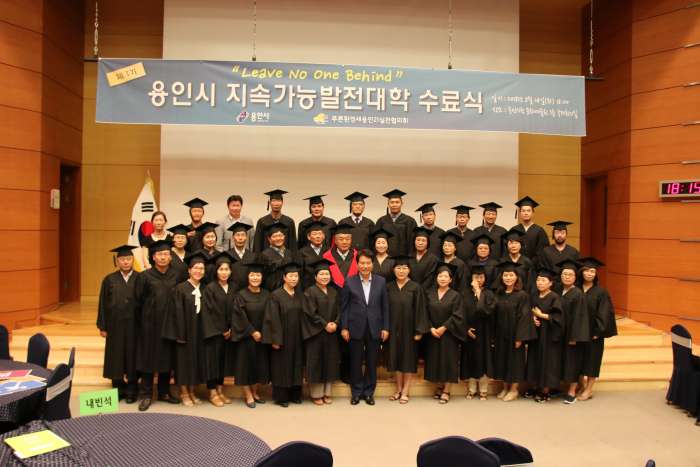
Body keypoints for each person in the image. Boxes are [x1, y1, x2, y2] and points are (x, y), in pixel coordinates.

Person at [134, 239, 180, 411]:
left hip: (170, 324)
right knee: (148, 360)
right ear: (153, 257)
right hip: (149, 326)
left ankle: (164, 392)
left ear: (170, 257)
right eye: (159, 254)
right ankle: (146, 394)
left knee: (167, 359)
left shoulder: (176, 275)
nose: (163, 257)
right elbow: (137, 301)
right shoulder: (145, 276)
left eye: (166, 254)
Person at [341, 249, 390, 405]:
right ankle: (356, 392)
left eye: (368, 263)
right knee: (355, 362)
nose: (365, 266)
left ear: (372, 264)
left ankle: (369, 393)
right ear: (357, 264)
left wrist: (385, 327)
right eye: (362, 263)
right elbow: (344, 307)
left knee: (371, 362)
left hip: (375, 327)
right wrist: (344, 327)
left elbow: (385, 307)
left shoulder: (381, 281)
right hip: (355, 327)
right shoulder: (349, 281)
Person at [163, 251, 207, 407]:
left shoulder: (205, 288)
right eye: (195, 268)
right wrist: (179, 334)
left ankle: (192, 391)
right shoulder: (180, 289)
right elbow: (175, 314)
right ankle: (184, 392)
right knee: (183, 363)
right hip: (184, 333)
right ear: (189, 270)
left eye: (201, 268)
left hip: (199, 333)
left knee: (196, 362)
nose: (198, 271)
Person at [97, 244, 140, 403]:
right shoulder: (109, 280)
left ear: (133, 260)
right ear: (117, 261)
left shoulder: (140, 278)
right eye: (122, 259)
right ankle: (118, 388)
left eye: (128, 258)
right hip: (115, 325)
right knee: (116, 356)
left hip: (135, 326)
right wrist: (103, 326)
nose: (126, 262)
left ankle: (132, 389)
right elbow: (102, 304)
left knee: (133, 356)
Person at [385, 255, 429, 404]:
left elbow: (421, 310)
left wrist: (419, 331)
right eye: (398, 268)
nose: (401, 271)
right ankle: (398, 389)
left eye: (404, 268)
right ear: (394, 270)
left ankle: (405, 391)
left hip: (410, 331)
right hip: (393, 329)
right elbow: (384, 309)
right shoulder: (389, 287)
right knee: (395, 359)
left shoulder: (416, 287)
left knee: (408, 360)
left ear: (409, 270)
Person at [263, 262, 306, 407]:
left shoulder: (300, 295)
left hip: (297, 337)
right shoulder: (276, 295)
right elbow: (272, 318)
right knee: (282, 366)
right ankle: (282, 397)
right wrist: (275, 339)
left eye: (296, 276)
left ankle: (295, 394)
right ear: (284, 278)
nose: (294, 279)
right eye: (291, 276)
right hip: (282, 338)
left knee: (296, 364)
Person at [492, 260, 535, 402]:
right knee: (502, 360)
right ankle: (505, 387)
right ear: (501, 277)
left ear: (517, 277)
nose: (508, 278)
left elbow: (524, 317)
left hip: (515, 334)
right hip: (500, 334)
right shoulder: (499, 294)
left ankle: (514, 389)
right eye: (505, 275)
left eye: (511, 275)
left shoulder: (522, 295)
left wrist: (520, 337)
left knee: (515, 362)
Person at [229, 262, 271, 408]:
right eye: (252, 275)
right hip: (246, 337)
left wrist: (264, 332)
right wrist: (252, 331)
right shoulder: (241, 295)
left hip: (263, 336)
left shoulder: (267, 294)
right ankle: (248, 395)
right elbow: (239, 316)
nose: (255, 278)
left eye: (258, 275)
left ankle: (255, 392)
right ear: (248, 277)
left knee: (259, 366)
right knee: (245, 367)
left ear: (262, 277)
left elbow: (270, 315)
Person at [423, 262, 465, 404]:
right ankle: (439, 387)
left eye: (446, 276)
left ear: (450, 279)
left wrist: (444, 327)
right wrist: (430, 328)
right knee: (435, 360)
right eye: (440, 276)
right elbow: (424, 312)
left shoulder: (456, 295)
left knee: (448, 361)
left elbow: (457, 315)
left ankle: (446, 391)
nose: (442, 278)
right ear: (436, 278)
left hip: (449, 334)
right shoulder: (429, 294)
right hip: (433, 333)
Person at [302, 259, 341, 405]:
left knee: (330, 361)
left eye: (327, 274)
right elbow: (310, 313)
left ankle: (327, 392)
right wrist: (325, 325)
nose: (325, 276)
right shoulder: (309, 292)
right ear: (315, 276)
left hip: (332, 333)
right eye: (321, 274)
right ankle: (316, 394)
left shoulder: (334, 291)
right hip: (316, 333)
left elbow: (340, 310)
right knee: (316, 362)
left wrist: (336, 323)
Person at [578, 257, 617, 401]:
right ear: (581, 272)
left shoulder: (601, 292)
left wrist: (598, 331)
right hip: (577, 332)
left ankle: (589, 389)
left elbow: (605, 313)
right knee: (578, 360)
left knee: (592, 361)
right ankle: (581, 385)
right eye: (587, 270)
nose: (589, 273)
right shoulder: (576, 289)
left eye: (592, 271)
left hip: (593, 333)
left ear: (596, 274)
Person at [200, 251, 236, 407]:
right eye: (221, 269)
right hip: (214, 333)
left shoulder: (234, 287)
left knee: (223, 362)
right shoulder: (210, 288)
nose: (224, 272)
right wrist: (222, 330)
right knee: (212, 363)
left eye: (227, 269)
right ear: (216, 271)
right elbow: (208, 312)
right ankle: (212, 392)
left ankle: (220, 390)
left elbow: (237, 310)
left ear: (231, 271)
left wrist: (232, 328)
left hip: (229, 332)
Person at [527, 267, 564, 403]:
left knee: (547, 362)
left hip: (549, 334)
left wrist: (541, 315)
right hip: (536, 334)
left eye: (543, 280)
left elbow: (559, 317)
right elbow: (529, 310)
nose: (540, 283)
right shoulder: (534, 295)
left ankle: (545, 391)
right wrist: (533, 318)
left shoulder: (554, 297)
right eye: (538, 280)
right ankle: (535, 387)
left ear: (550, 283)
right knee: (535, 359)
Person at [460, 265, 497, 401]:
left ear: (485, 278)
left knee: (484, 360)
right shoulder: (464, 294)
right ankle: (471, 389)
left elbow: (487, 311)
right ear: (471, 278)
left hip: (485, 332)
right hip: (469, 332)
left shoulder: (489, 294)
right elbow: (459, 313)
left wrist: (478, 291)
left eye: (481, 277)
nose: (478, 280)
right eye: (476, 277)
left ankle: (483, 390)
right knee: (470, 360)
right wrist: (465, 328)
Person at [558, 259, 590, 404]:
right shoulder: (557, 290)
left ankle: (572, 390)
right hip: (558, 333)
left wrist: (574, 337)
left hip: (571, 335)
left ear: (575, 277)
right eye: (564, 274)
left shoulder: (578, 294)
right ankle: (561, 387)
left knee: (572, 363)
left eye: (570, 275)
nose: (567, 277)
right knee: (561, 361)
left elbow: (580, 317)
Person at [374, 188, 417, 256]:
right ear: (388, 204)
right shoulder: (381, 221)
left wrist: (410, 258)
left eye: (397, 202)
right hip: (385, 258)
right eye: (392, 202)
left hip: (403, 258)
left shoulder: (410, 221)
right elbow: (376, 241)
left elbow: (412, 242)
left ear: (402, 203)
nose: (394, 205)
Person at [261, 223, 298, 291]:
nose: (278, 238)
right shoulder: (265, 254)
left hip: (289, 288)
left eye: (280, 235)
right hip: (272, 289)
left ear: (284, 237)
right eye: (274, 236)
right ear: (269, 239)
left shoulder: (289, 253)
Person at [513, 196, 548, 264]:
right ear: (520, 213)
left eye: (528, 211)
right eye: (523, 211)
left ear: (533, 213)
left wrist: (530, 263)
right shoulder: (514, 230)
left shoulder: (540, 231)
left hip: (534, 266)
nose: (526, 213)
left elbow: (542, 252)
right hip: (516, 266)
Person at [322, 223, 358, 289]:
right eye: (341, 239)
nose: (344, 242)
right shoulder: (327, 257)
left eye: (347, 239)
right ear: (335, 241)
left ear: (351, 240)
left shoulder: (358, 256)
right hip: (333, 291)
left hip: (354, 291)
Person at [498, 227, 534, 293]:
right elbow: (499, 282)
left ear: (521, 245)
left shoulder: (527, 262)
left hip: (523, 294)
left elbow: (530, 283)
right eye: (511, 243)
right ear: (507, 245)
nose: (513, 246)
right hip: (505, 295)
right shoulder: (502, 261)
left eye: (516, 243)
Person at [298, 221, 328, 290]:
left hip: (326, 288)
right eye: (314, 234)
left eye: (320, 234)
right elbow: (300, 274)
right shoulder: (302, 252)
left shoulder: (329, 251)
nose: (318, 236)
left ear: (323, 236)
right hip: (308, 288)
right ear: (309, 237)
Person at [227, 221, 256, 290]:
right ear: (233, 237)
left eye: (243, 235)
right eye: (237, 235)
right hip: (231, 291)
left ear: (246, 237)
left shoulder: (253, 256)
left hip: (248, 291)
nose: (240, 238)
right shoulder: (227, 255)